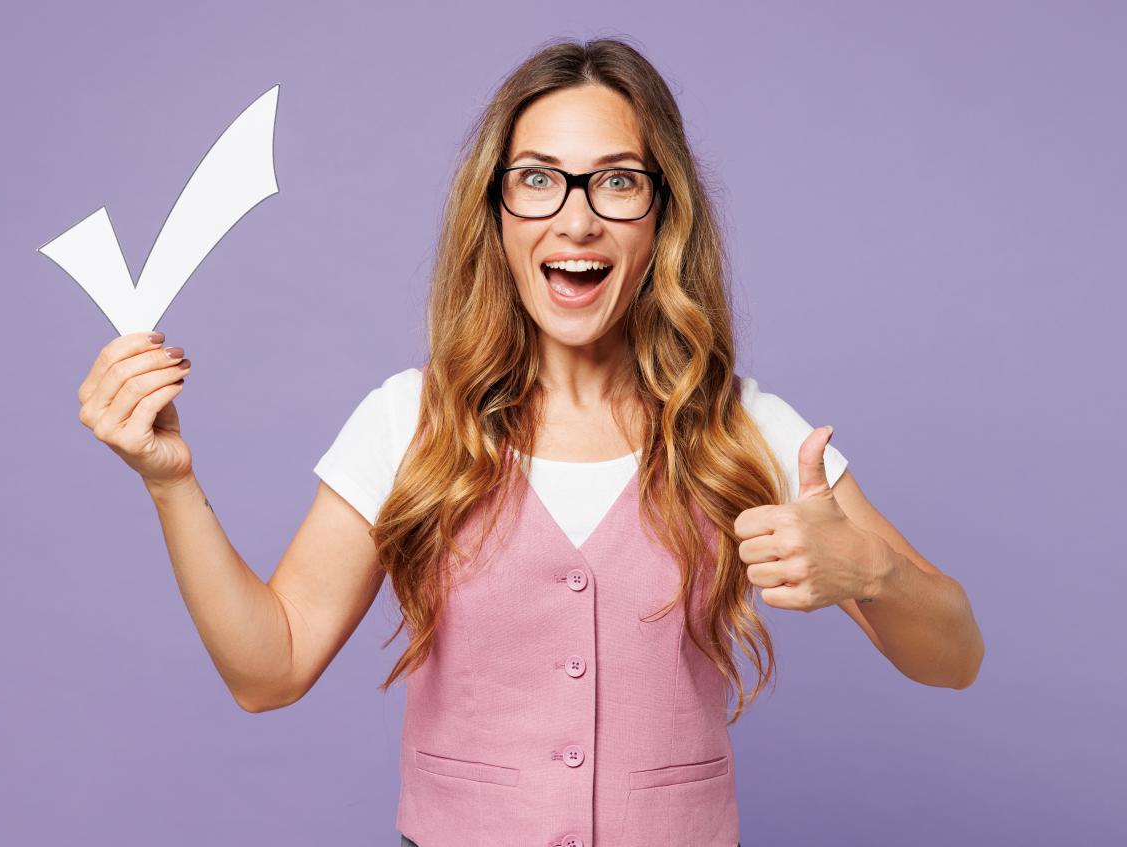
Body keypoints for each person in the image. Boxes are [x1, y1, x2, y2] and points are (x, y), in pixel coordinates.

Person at [77, 37, 983, 847]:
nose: (576, 218)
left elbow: (955, 657)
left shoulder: (751, 429)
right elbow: (267, 671)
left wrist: (872, 572)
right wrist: (169, 481)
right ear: (499, 214)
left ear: (663, 216)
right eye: (538, 179)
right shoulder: (407, 421)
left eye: (618, 180)